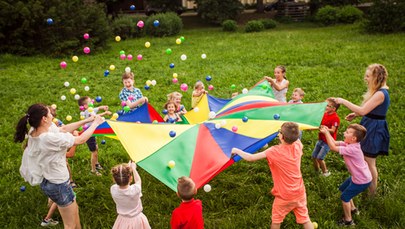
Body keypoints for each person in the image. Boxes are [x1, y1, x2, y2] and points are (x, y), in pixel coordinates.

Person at [14, 103, 105, 229]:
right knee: (70, 224)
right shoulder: (47, 138)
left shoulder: (35, 130)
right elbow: (80, 140)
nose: (52, 115)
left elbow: (63, 129)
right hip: (57, 184)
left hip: (51, 180)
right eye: (49, 113)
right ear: (44, 119)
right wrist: (96, 124)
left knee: (75, 210)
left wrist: (89, 119)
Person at [232, 122, 314, 229]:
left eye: (280, 132)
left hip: (284, 196)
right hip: (299, 192)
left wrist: (236, 150)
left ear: (282, 137)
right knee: (305, 219)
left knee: (276, 220)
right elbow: (295, 135)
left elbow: (251, 158)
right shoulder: (298, 145)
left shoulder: (274, 151)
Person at [334, 64, 390, 196]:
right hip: (369, 124)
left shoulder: (381, 93)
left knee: (370, 162)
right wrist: (356, 114)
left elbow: (363, 109)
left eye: (368, 76)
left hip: (374, 129)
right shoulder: (377, 91)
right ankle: (363, 182)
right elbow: (369, 110)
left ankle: (372, 193)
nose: (365, 78)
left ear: (376, 77)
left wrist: (343, 101)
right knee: (364, 159)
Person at [320, 124, 371, 226]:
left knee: (344, 197)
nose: (344, 133)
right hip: (358, 177)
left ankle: (348, 220)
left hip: (361, 180)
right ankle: (353, 209)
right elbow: (334, 142)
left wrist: (326, 133)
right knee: (343, 189)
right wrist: (327, 131)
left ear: (353, 138)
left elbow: (332, 147)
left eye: (347, 132)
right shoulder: (349, 144)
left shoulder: (353, 149)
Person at [110, 162, 151, 229]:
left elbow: (121, 178)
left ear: (114, 179)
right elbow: (138, 181)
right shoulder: (135, 190)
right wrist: (134, 169)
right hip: (137, 220)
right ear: (131, 178)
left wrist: (126, 169)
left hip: (122, 220)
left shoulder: (113, 189)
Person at [78, 96, 112, 176]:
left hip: (92, 132)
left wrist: (102, 107)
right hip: (89, 134)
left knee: (96, 148)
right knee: (94, 152)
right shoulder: (87, 112)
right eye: (90, 102)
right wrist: (105, 113)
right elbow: (95, 117)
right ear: (86, 106)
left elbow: (96, 109)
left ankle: (96, 164)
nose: (92, 102)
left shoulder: (90, 109)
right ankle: (93, 170)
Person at [311, 98, 340, 177]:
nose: (326, 107)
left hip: (328, 142)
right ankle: (317, 171)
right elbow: (320, 123)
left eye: (328, 106)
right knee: (314, 156)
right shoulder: (325, 114)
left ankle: (325, 172)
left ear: (333, 109)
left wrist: (325, 129)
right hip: (320, 139)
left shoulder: (335, 118)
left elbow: (333, 130)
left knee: (320, 158)